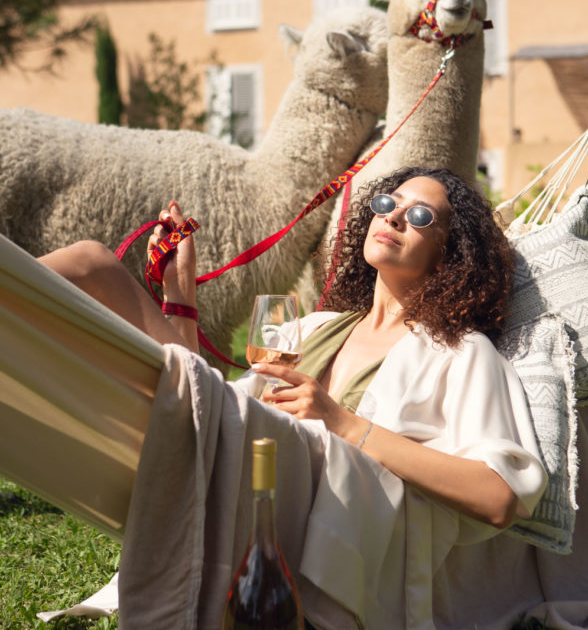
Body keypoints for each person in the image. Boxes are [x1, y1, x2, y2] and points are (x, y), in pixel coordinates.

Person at [38, 165, 546, 534]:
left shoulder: (461, 353)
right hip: (238, 465)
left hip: (302, 509)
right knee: (92, 266)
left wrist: (343, 422)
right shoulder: (312, 325)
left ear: (449, 254)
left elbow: (498, 497)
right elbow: (213, 397)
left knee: (94, 266)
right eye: (387, 204)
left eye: (418, 215)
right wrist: (181, 293)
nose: (392, 218)